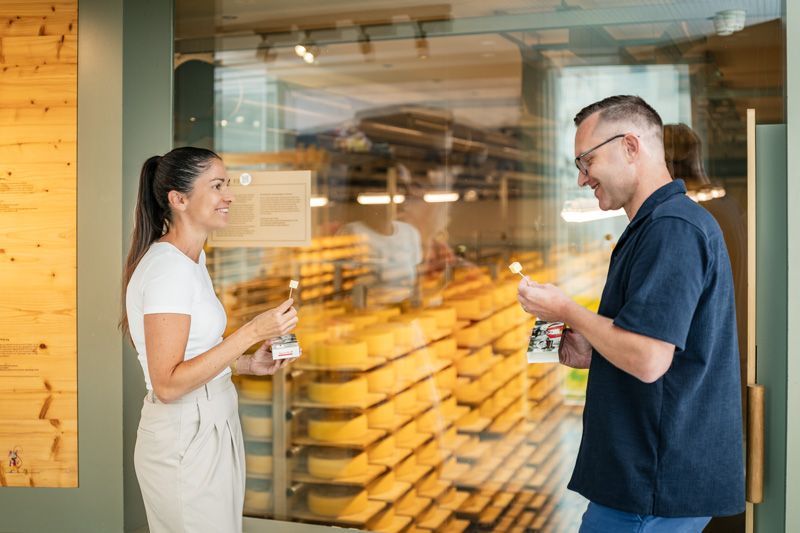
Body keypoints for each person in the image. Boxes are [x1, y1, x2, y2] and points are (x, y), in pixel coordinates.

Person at [517, 96, 744, 532]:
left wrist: (567, 309)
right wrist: (590, 347)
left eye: (587, 161)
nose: (583, 179)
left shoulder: (672, 229)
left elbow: (647, 359)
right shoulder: (657, 226)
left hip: (651, 486)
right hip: (647, 481)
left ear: (630, 146)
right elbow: (654, 348)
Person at [119, 147, 299, 532]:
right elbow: (167, 384)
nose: (229, 196)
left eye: (227, 184)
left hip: (211, 421)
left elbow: (195, 351)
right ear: (179, 199)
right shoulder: (169, 271)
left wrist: (247, 362)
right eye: (217, 185)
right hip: (186, 431)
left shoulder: (192, 261)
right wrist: (251, 332)